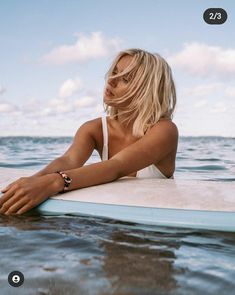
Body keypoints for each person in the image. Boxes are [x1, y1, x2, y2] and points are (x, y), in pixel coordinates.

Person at [0, 48, 178, 216]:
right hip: (113, 221)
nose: (111, 80)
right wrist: (31, 182)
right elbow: (69, 160)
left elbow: (117, 166)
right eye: (114, 72)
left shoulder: (164, 130)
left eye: (126, 78)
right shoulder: (94, 129)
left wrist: (53, 182)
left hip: (155, 229)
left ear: (147, 90)